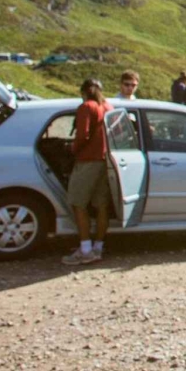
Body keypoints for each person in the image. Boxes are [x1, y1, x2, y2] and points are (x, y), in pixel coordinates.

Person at [63, 78, 111, 266]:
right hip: (105, 161)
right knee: (101, 205)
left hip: (87, 161)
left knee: (78, 203)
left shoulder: (86, 107)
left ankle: (85, 249)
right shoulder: (108, 107)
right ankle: (98, 246)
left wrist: (73, 150)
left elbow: (82, 135)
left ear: (83, 91)